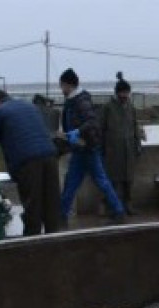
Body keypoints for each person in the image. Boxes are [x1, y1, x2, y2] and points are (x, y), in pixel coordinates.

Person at [0, 90, 61, 236]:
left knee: (33, 208)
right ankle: (57, 245)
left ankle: (31, 249)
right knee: (51, 207)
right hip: (50, 156)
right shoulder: (29, 106)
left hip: (28, 162)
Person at [57, 67, 125, 224]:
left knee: (92, 181)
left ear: (68, 85)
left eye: (61, 85)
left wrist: (77, 132)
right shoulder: (75, 100)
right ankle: (62, 214)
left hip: (87, 148)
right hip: (81, 147)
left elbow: (92, 122)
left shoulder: (80, 101)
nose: (61, 89)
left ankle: (118, 210)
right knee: (74, 182)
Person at [100, 72, 141, 214]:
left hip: (129, 149)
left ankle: (128, 204)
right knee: (112, 179)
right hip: (112, 150)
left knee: (128, 180)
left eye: (127, 93)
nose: (124, 96)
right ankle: (108, 205)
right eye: (122, 93)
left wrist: (138, 145)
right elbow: (101, 128)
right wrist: (102, 148)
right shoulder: (108, 107)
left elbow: (135, 127)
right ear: (117, 93)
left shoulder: (131, 108)